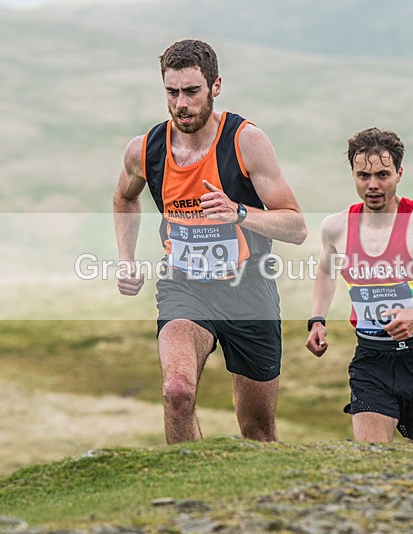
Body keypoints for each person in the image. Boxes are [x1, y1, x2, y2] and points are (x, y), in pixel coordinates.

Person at [113, 39, 307, 444]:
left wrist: (239, 213)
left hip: (248, 289)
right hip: (184, 287)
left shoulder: (246, 141)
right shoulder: (145, 150)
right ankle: (188, 482)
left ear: (216, 86)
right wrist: (126, 258)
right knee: (177, 393)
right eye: (171, 92)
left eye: (191, 91)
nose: (181, 104)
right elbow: (125, 197)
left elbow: (296, 226)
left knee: (258, 431)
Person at [305, 127, 413, 443]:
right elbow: (327, 273)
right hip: (371, 358)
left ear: (399, 173)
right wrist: (317, 320)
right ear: (353, 175)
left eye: (383, 175)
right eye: (363, 175)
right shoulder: (336, 226)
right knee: (372, 456)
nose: (373, 184)